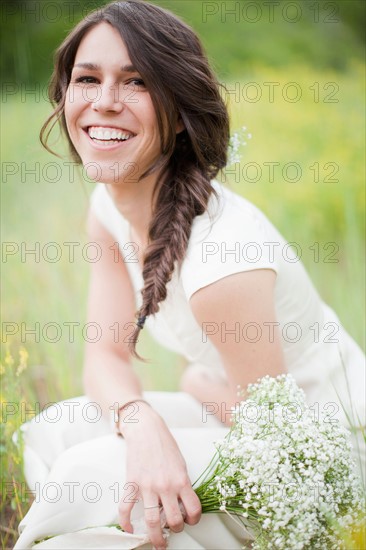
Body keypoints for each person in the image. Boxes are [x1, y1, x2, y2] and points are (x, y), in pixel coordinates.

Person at [15, 1, 365, 548]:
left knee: (98, 471)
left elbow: (279, 442)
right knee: (61, 429)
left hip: (322, 459)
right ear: (65, 98)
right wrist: (142, 423)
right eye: (88, 78)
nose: (104, 102)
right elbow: (103, 357)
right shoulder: (107, 211)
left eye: (136, 83)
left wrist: (197, 388)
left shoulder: (223, 260)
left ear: (178, 115)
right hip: (241, 420)